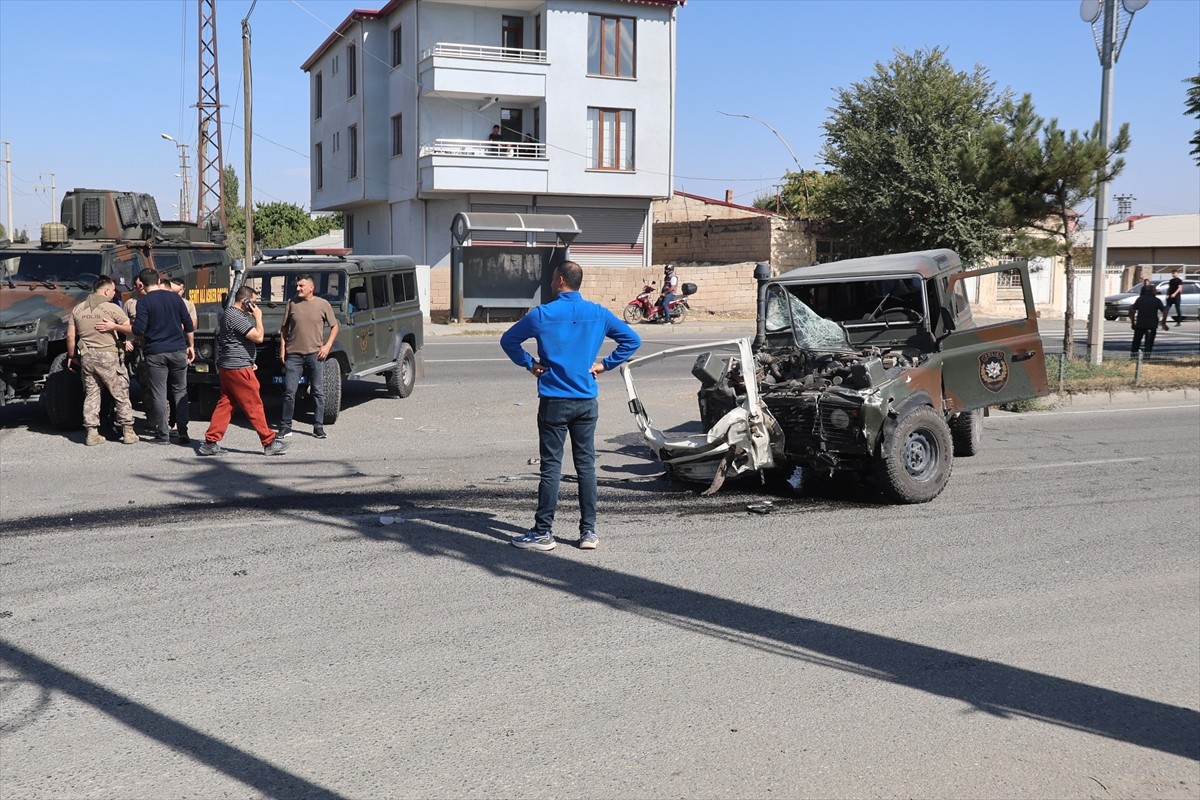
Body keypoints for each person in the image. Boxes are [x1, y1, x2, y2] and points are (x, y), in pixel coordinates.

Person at [500, 261, 641, 551]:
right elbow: (632, 340)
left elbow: (509, 340)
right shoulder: (599, 313)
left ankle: (543, 533)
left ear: (561, 279)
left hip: (554, 400)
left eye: (553, 279)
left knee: (551, 467)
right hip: (586, 400)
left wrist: (530, 365)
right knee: (586, 466)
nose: (551, 283)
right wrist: (604, 365)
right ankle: (588, 532)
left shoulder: (542, 314)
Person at [199, 286, 291, 457]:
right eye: (253, 303)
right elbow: (258, 337)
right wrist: (258, 318)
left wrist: (249, 360)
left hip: (230, 366)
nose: (255, 307)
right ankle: (269, 442)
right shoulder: (236, 316)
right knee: (254, 405)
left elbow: (236, 342)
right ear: (245, 301)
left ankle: (210, 442)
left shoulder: (229, 314)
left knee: (226, 405)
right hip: (239, 368)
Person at [67, 276, 139, 446]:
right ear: (106, 291)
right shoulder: (112, 308)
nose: (114, 293)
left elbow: (71, 335)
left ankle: (92, 433)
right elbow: (131, 329)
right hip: (108, 356)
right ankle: (128, 431)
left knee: (92, 394)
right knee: (120, 393)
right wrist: (124, 337)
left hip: (87, 357)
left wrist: (71, 356)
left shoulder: (78, 309)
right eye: (113, 290)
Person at [130, 268, 194, 444]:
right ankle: (183, 432)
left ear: (141, 284)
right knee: (180, 391)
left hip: (156, 353)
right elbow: (188, 324)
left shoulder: (142, 303)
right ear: (159, 280)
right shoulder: (175, 297)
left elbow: (138, 330)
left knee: (159, 394)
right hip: (179, 350)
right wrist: (191, 346)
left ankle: (163, 434)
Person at [279, 274, 339, 439]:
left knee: (318, 391)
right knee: (289, 391)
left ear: (311, 287)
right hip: (294, 355)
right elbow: (284, 329)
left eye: (301, 286)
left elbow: (335, 326)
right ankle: (285, 426)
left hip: (315, 354)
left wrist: (327, 346)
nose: (297, 288)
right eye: (297, 286)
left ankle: (318, 426)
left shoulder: (322, 304)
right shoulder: (291, 304)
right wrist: (282, 349)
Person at [1129, 282, 1168, 358]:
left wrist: (1133, 322)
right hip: (1151, 325)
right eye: (1155, 291)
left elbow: (1132, 310)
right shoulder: (1156, 300)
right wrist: (1163, 322)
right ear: (1153, 291)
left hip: (1140, 324)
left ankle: (1133, 356)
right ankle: (1147, 357)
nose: (1156, 292)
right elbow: (1165, 311)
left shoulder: (1140, 299)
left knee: (1136, 342)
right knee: (1149, 343)